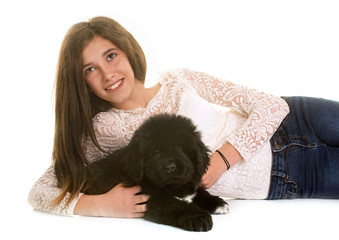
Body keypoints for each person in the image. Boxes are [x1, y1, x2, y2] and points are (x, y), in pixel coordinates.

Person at [28, 16, 339, 218]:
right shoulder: (100, 132)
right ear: (82, 82)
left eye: (111, 55)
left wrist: (220, 161)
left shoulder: (180, 80)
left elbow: (272, 106)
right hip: (291, 178)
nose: (108, 73)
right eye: (90, 69)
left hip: (298, 120)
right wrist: (101, 204)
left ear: (128, 51)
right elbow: (40, 192)